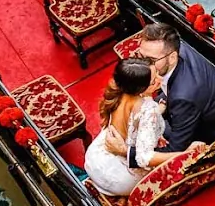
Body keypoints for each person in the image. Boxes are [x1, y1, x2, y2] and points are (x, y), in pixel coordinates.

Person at [105, 22, 215, 163]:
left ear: (172, 57)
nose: (144, 66)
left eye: (151, 60)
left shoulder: (183, 97)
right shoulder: (176, 49)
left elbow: (175, 149)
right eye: (141, 56)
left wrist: (126, 152)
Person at [83, 58, 201, 196]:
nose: (159, 79)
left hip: (94, 160)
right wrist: (185, 154)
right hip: (118, 180)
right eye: (153, 80)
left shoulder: (119, 91)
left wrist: (158, 110)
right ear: (140, 89)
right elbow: (145, 158)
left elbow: (134, 117)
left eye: (157, 73)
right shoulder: (148, 109)